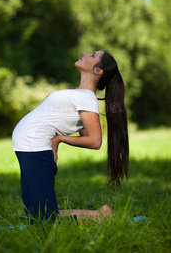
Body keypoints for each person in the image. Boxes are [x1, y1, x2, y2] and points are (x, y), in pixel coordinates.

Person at [12, 50, 129, 223]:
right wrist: (60, 135)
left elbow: (95, 141)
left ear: (98, 70)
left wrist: (60, 139)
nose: (85, 53)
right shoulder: (81, 95)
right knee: (36, 218)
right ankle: (100, 214)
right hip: (28, 150)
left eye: (92, 55)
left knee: (44, 221)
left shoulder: (88, 98)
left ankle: (100, 217)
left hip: (36, 151)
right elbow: (80, 128)